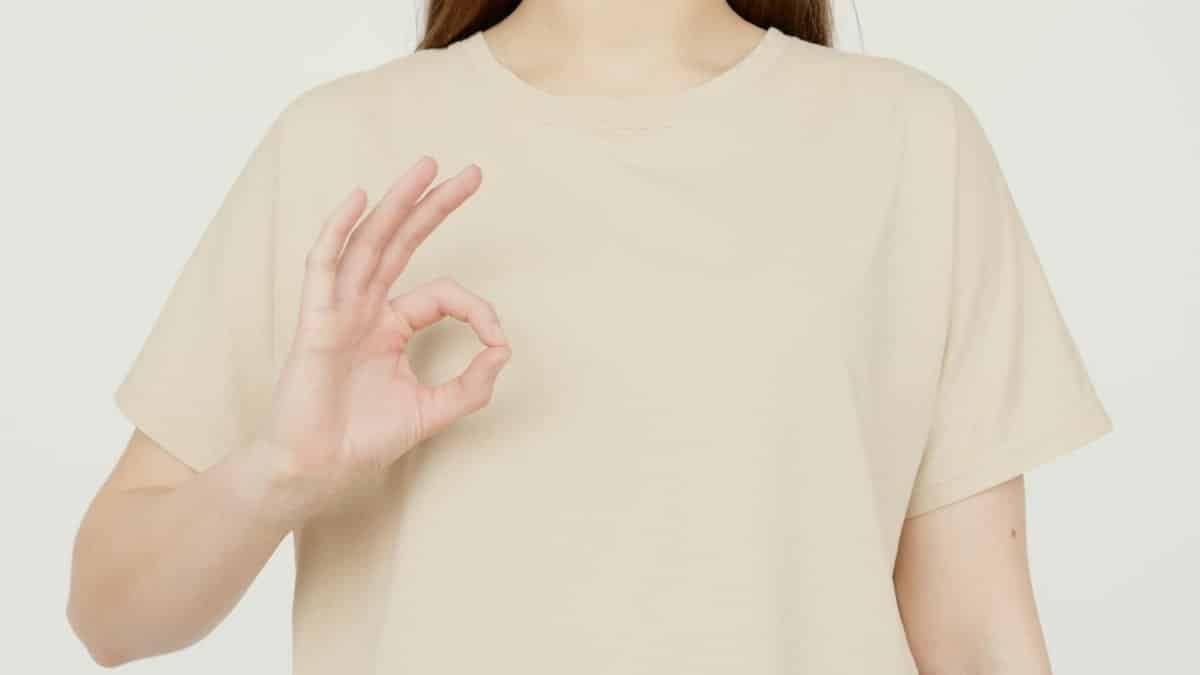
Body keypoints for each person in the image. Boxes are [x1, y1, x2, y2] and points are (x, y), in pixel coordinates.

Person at [66, 1, 1114, 673]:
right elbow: (110, 616)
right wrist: (282, 468)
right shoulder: (340, 143)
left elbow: (976, 636)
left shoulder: (910, 140)